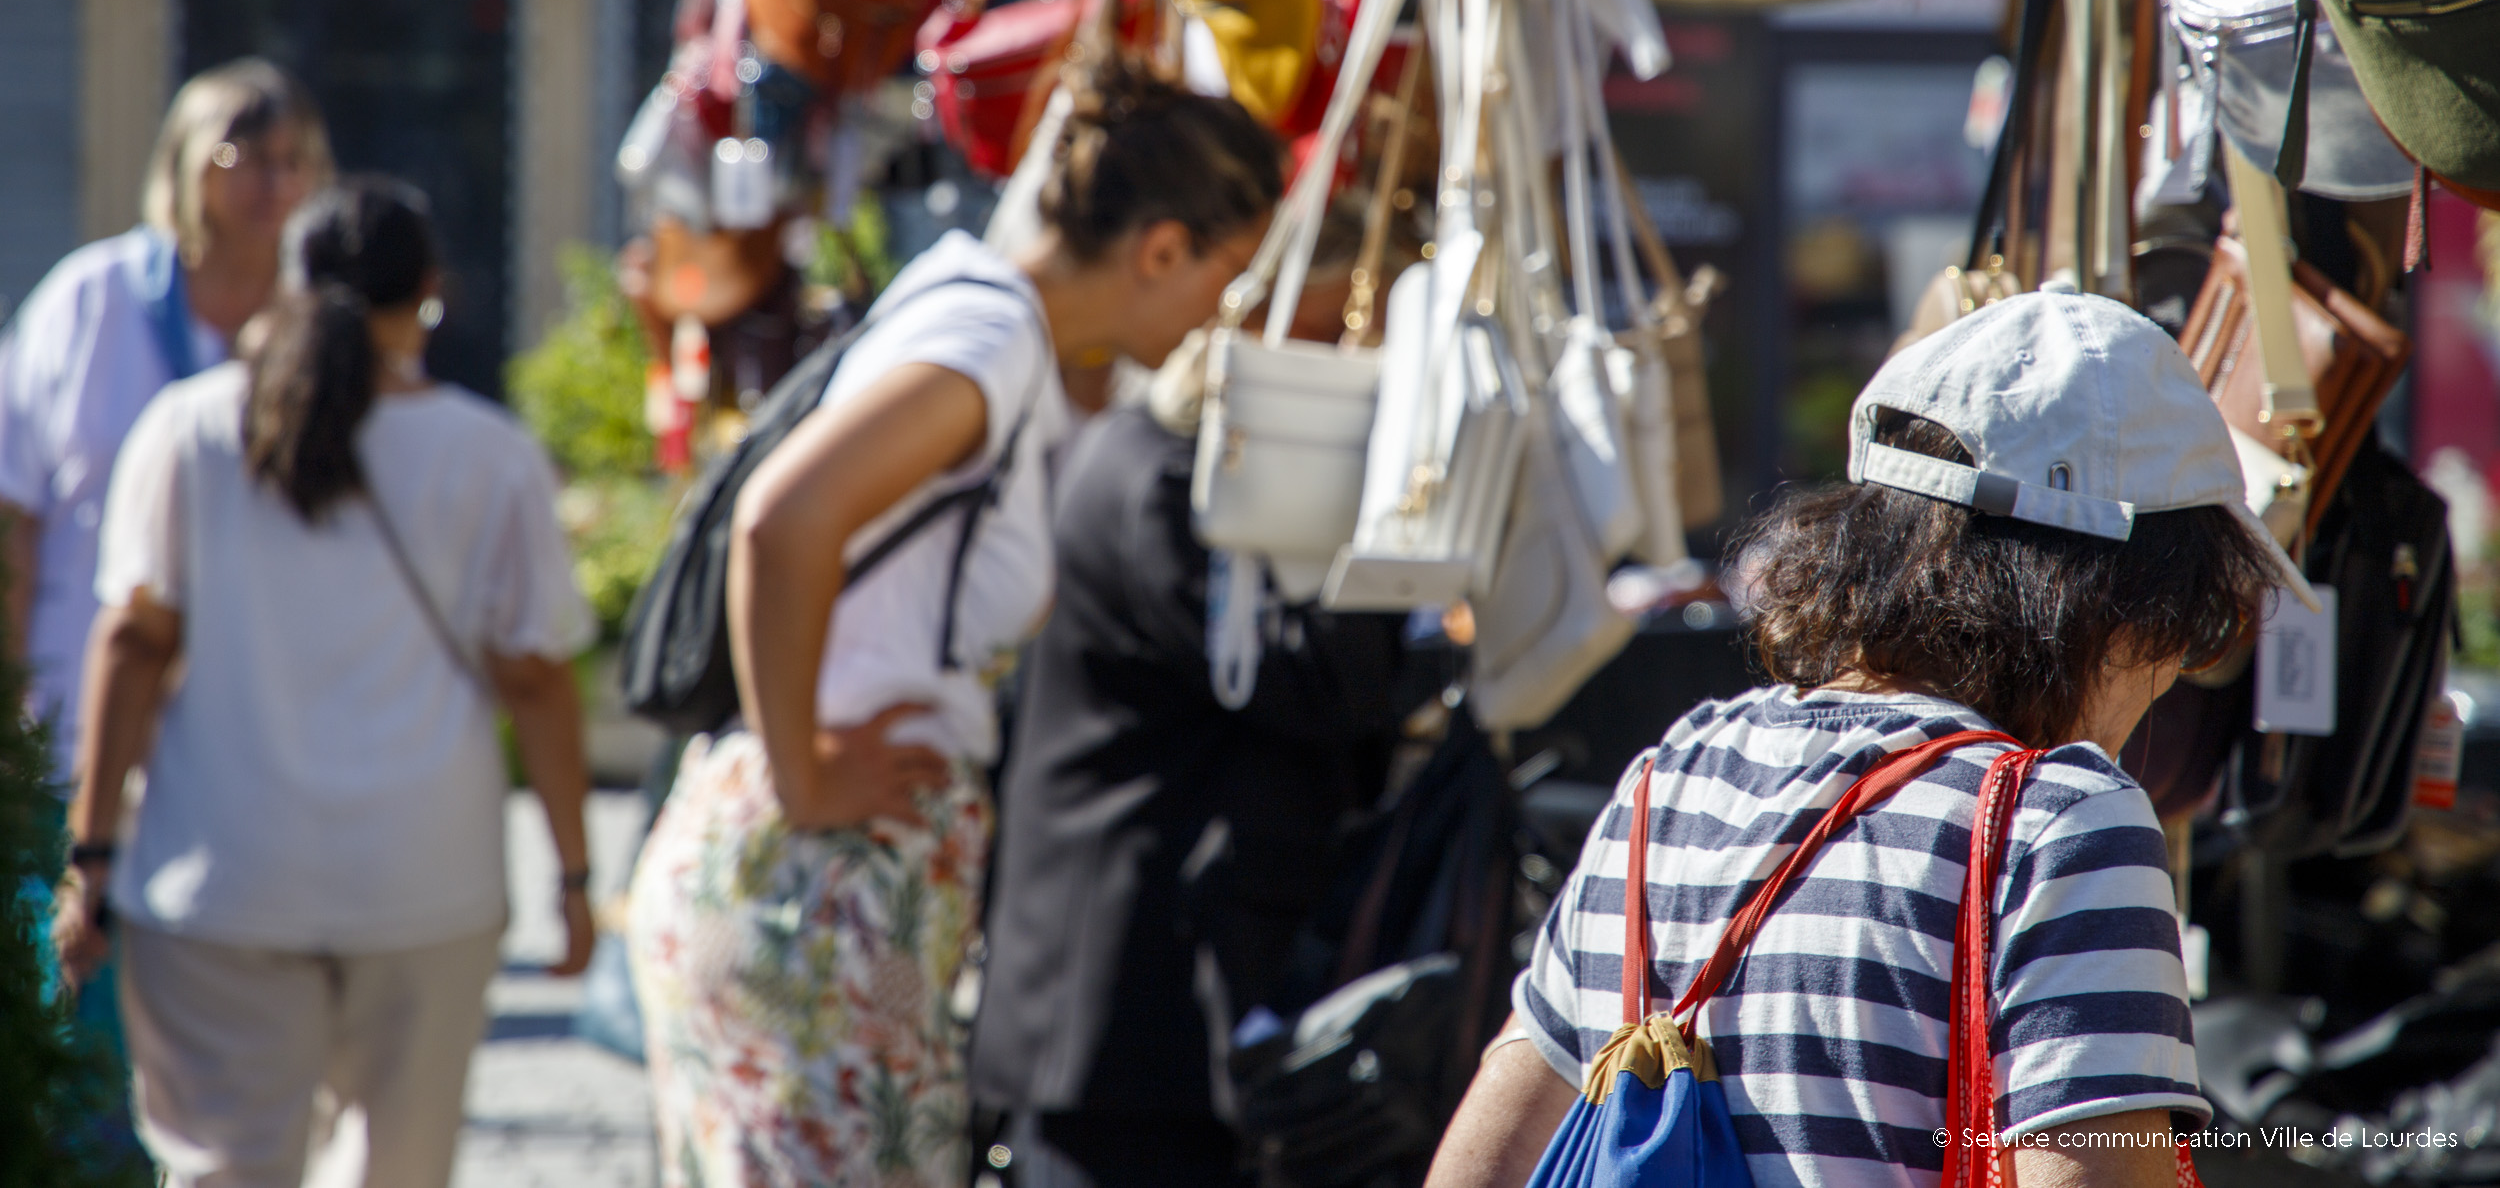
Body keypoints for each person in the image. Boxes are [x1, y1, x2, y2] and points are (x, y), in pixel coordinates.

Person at [1427, 287, 2318, 1188]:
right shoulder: (2060, 823)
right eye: (2198, 626)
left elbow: (1476, 1170)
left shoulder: (1670, 780)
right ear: (2114, 602)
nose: (2174, 671)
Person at [627, 66, 1286, 1188]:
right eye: (1225, 277)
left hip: (835, 884)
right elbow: (782, 521)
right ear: (1162, 247)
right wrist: (807, 777)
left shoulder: (989, 321)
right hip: (815, 875)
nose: (1218, 319)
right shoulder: (987, 338)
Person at [51, 179, 596, 1188]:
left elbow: (132, 644)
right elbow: (537, 679)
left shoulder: (189, 432)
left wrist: (90, 854)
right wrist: (572, 876)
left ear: (289, 284)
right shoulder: (491, 456)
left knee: (224, 1169)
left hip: (217, 878)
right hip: (425, 881)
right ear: (429, 291)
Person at [970, 201, 1413, 1187]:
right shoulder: (1155, 475)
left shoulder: (1167, 462)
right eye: (1324, 339)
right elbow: (1309, 686)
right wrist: (1378, 526)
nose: (1342, 372)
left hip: (1150, 1017)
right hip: (1121, 1019)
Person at [0, 57, 327, 1166]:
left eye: (295, 161)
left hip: (243, 750)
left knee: (222, 1062)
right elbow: (14, 518)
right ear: (185, 165)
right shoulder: (92, 301)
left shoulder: (312, 330)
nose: (273, 183)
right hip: (70, 728)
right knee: (78, 1032)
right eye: (247, 154)